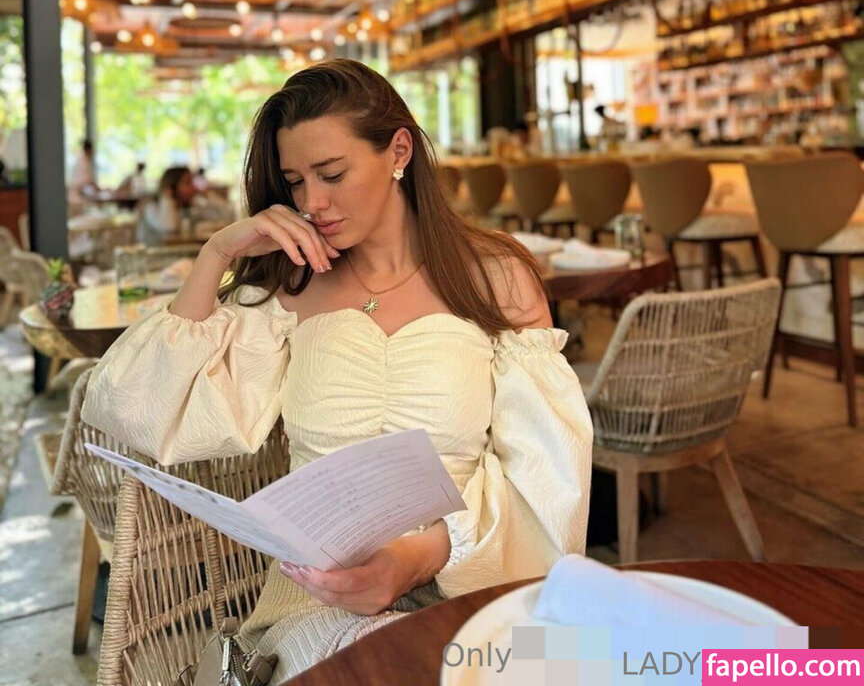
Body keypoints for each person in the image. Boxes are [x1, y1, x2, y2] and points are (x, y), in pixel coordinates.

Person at [82, 59, 592, 680]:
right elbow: (134, 407)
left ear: (398, 151)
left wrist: (421, 555)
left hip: (477, 574)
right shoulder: (289, 292)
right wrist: (218, 253)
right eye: (295, 182)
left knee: (517, 665)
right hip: (317, 599)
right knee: (382, 667)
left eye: (332, 174)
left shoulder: (496, 279)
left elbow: (547, 479)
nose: (312, 203)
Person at [136, 165, 196, 245]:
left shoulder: (181, 206)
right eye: (187, 183)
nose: (193, 187)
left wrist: (207, 196)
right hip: (153, 251)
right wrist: (167, 198)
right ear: (172, 186)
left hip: (176, 249)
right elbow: (170, 228)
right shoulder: (152, 206)